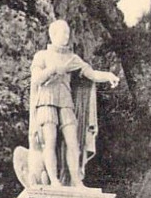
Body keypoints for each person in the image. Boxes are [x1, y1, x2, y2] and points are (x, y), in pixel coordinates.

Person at [29, 19, 119, 187]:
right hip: (46, 100)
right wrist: (52, 69)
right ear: (53, 34)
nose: (66, 37)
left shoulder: (72, 58)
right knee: (50, 140)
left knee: (73, 141)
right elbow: (36, 79)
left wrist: (108, 76)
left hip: (65, 100)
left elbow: (91, 74)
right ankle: (54, 180)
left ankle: (76, 181)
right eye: (63, 33)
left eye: (68, 34)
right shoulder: (42, 56)